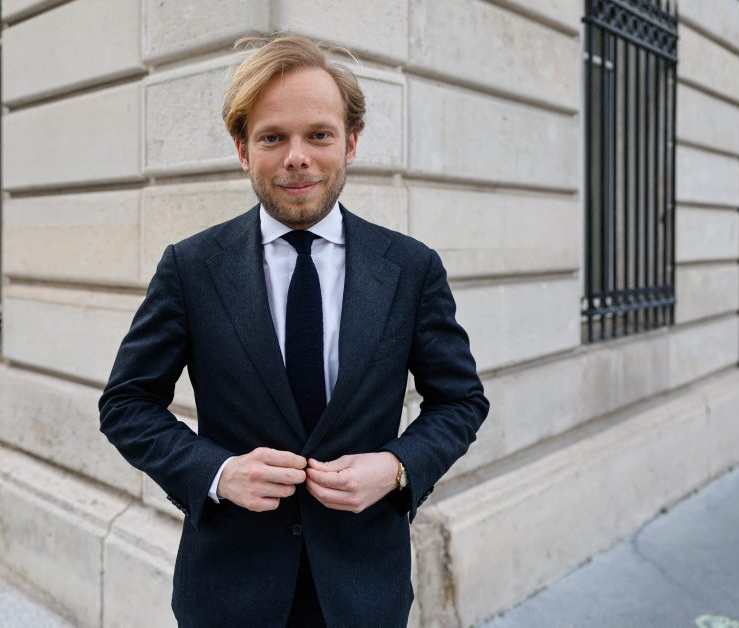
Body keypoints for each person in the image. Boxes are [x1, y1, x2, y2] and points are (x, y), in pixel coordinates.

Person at [99, 35, 489, 627]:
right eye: (273, 137)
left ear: (350, 143)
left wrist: (396, 467)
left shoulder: (411, 269)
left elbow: (460, 401)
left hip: (363, 591)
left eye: (319, 135)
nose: (297, 157)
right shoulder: (191, 267)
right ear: (243, 149)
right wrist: (218, 473)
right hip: (228, 591)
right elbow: (126, 404)